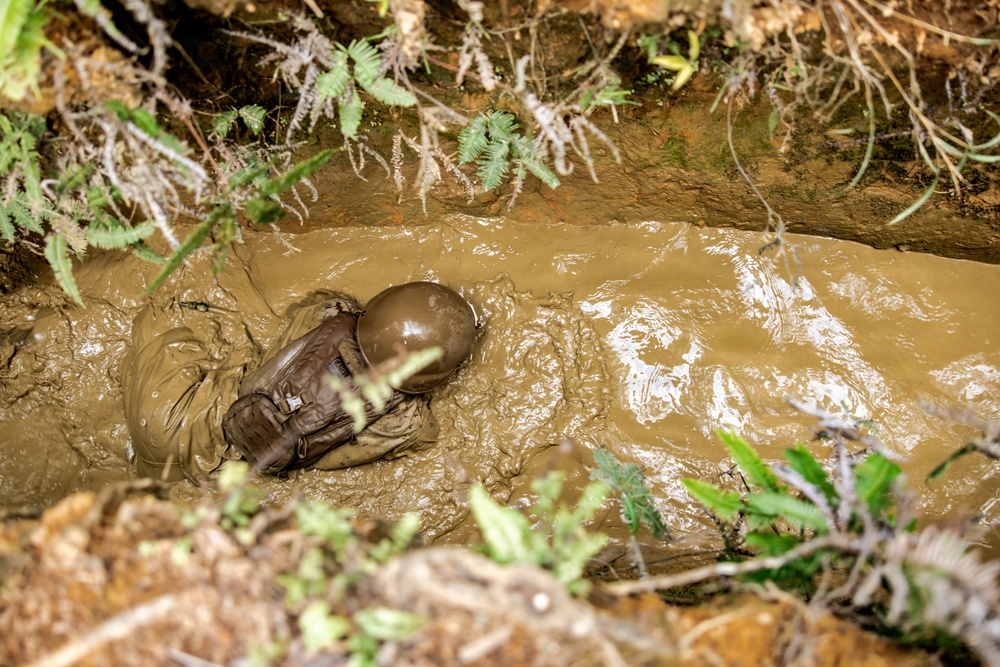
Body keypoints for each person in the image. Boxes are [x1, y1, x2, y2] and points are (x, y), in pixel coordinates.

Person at [121, 281, 478, 484]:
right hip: (227, 478)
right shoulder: (408, 424)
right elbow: (327, 461)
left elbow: (297, 311)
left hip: (168, 415)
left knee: (159, 318)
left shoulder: (328, 312)